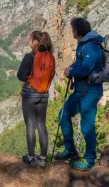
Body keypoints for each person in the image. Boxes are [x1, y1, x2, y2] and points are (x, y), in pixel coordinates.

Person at [55, 17, 103, 171]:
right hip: (80, 90)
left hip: (90, 91)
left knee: (87, 126)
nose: (71, 32)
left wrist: (72, 71)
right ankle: (70, 150)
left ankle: (89, 160)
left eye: (72, 29)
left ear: (76, 31)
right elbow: (79, 64)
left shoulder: (91, 46)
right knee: (63, 115)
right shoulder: (83, 45)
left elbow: (85, 69)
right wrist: (71, 68)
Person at [17, 31, 55, 168]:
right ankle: (43, 158)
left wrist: (29, 77)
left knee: (30, 125)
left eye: (30, 39)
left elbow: (20, 76)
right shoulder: (50, 56)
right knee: (41, 124)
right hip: (44, 94)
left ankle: (32, 158)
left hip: (29, 94)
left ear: (34, 42)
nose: (28, 41)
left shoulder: (30, 56)